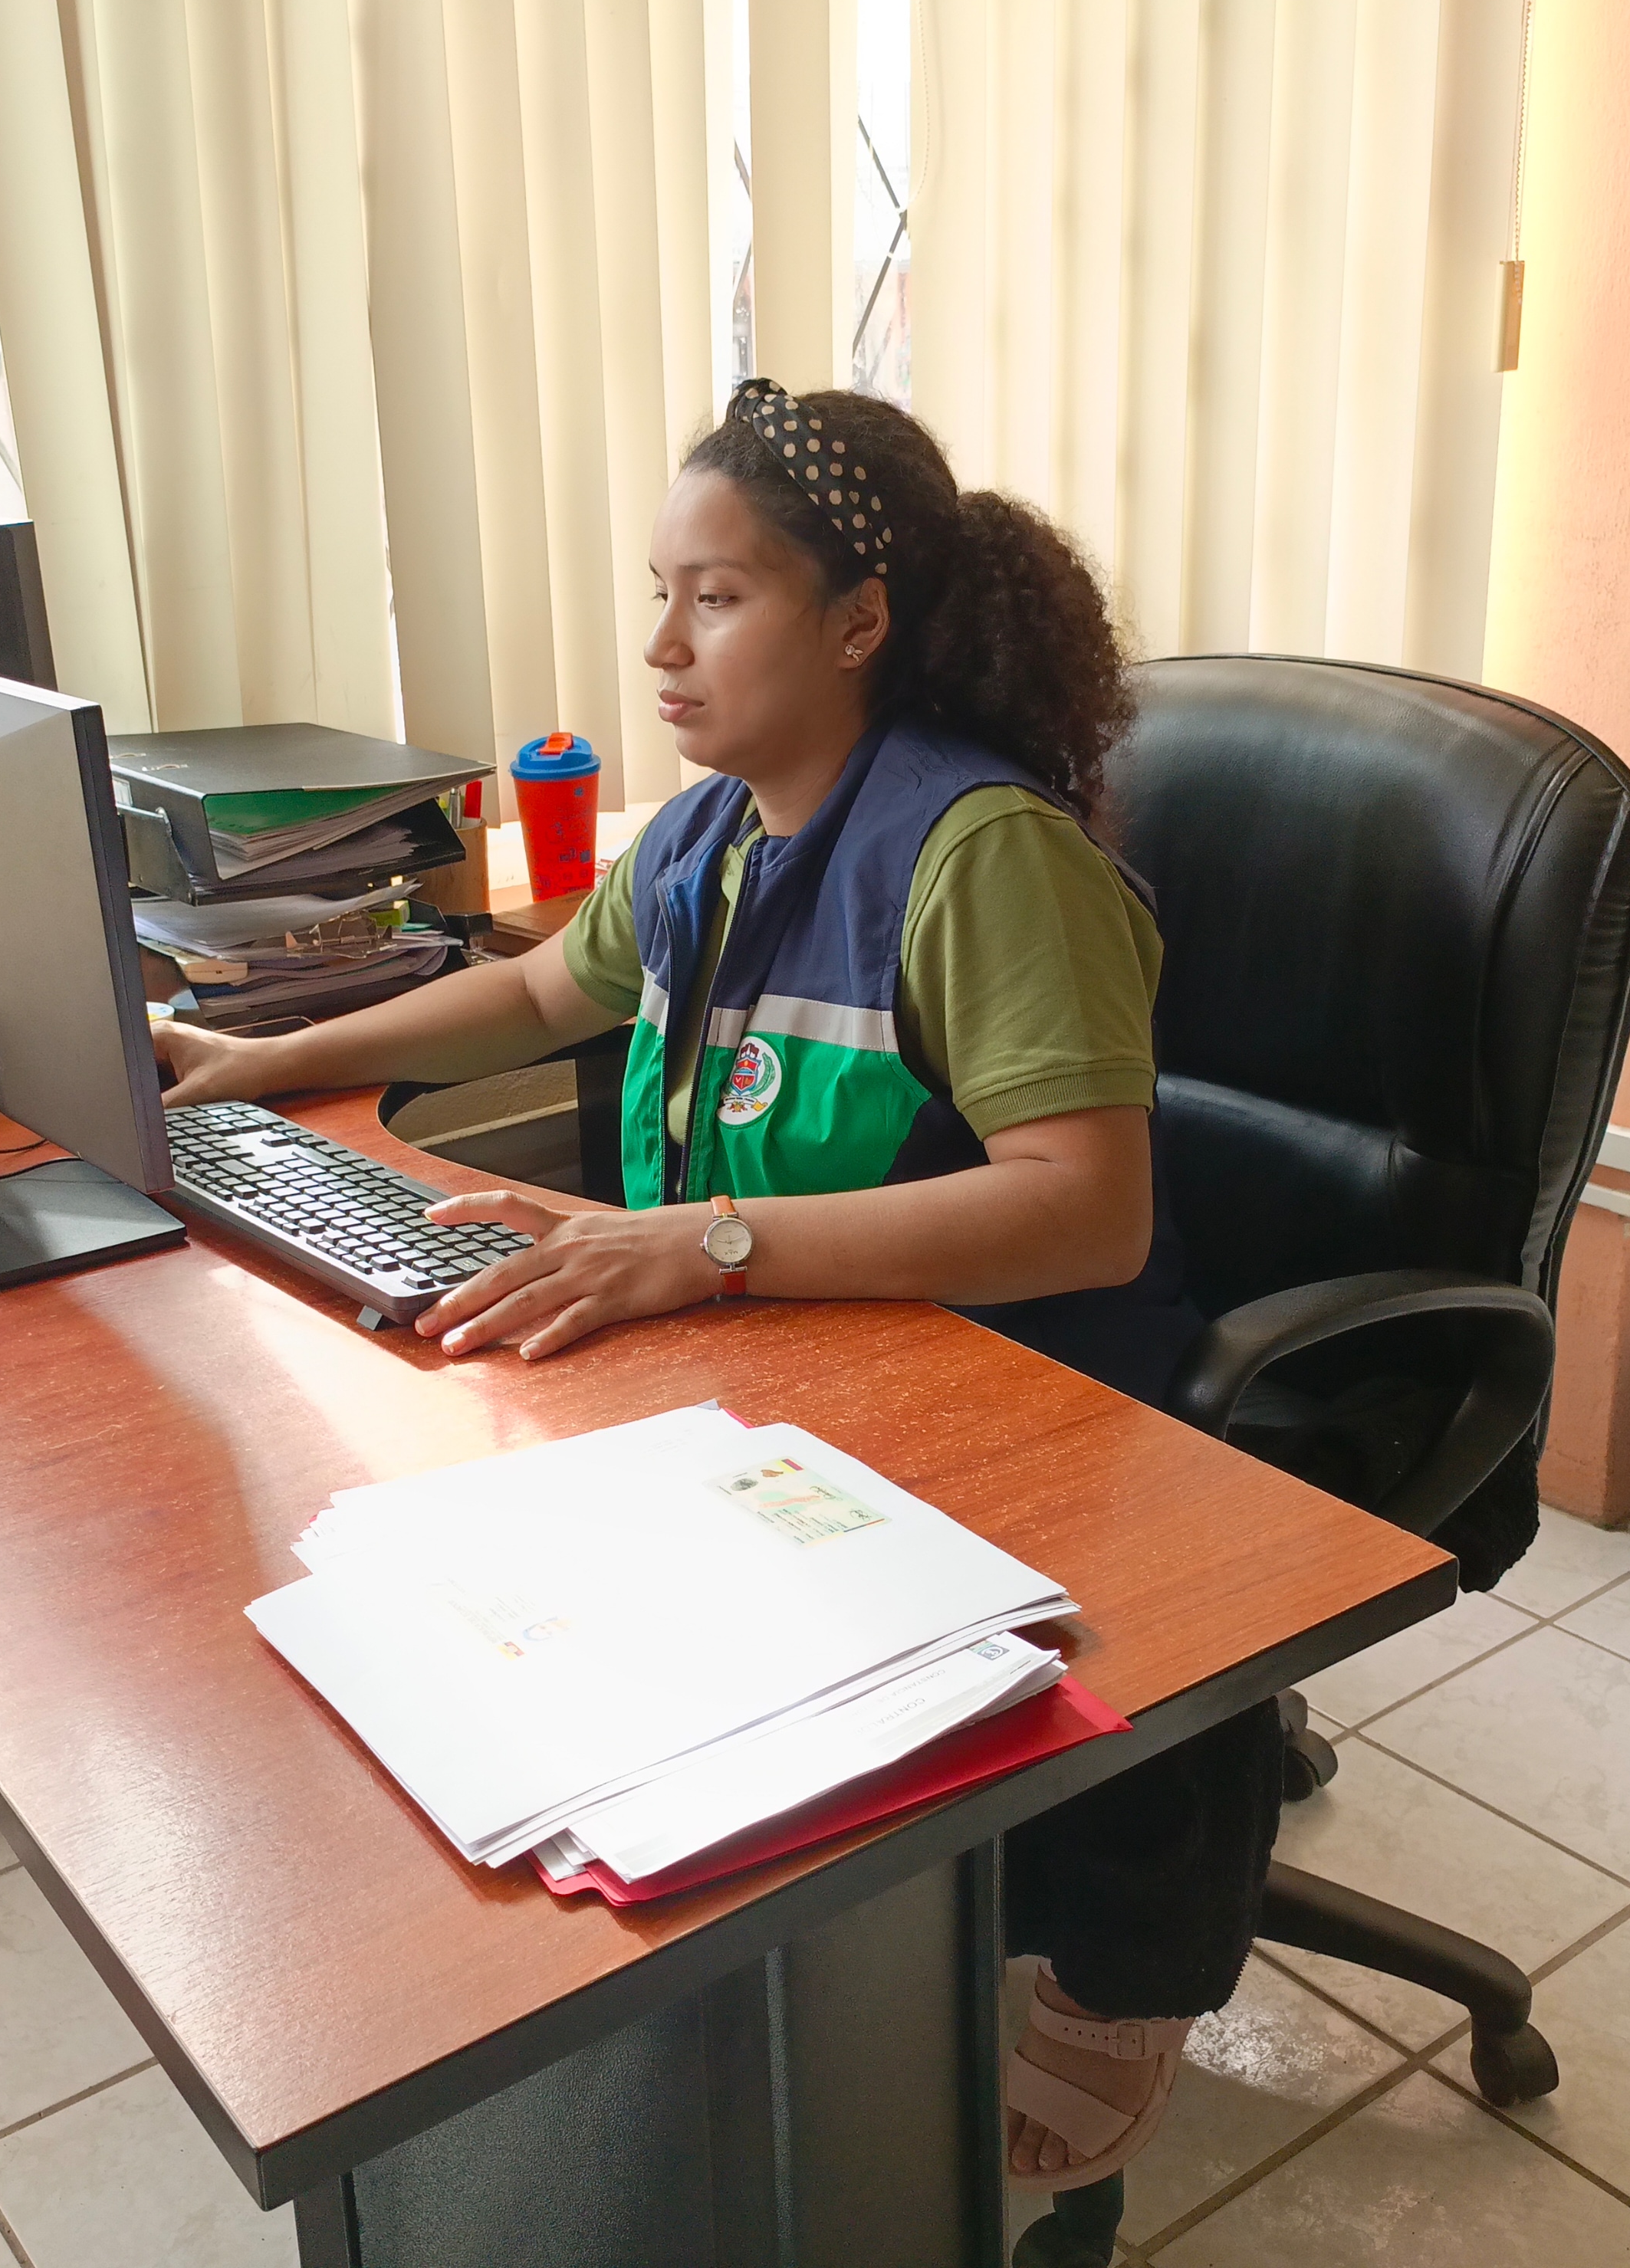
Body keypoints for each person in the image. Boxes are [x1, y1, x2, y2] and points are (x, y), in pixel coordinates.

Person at [150, 381, 1279, 2204]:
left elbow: (1083, 1213)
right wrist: (259, 1063)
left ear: (857, 619)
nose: (661, 648)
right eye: (658, 595)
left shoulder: (979, 856)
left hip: (1006, 1399)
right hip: (778, 1386)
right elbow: (541, 994)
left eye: (718, 597)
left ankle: (1112, 1965)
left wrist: (705, 1244)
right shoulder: (706, 837)